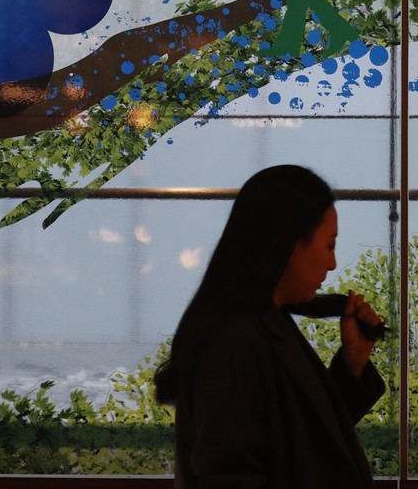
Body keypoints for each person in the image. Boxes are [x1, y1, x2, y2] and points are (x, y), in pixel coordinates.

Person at [154, 164, 384, 488]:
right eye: (329, 245)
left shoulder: (263, 323)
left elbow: (301, 442)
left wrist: (352, 364)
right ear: (291, 244)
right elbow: (230, 476)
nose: (332, 263)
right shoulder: (233, 340)